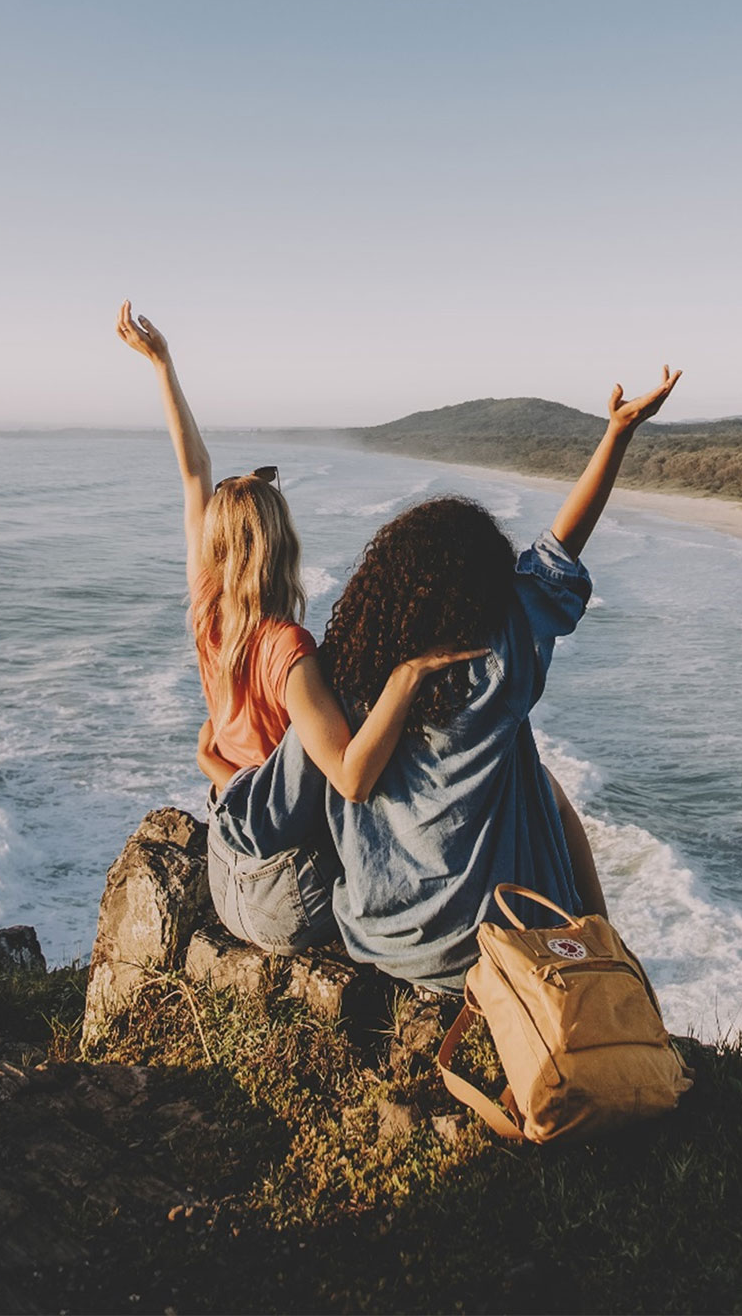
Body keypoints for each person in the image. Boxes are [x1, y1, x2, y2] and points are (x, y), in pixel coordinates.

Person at [115, 302, 483, 953]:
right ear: (279, 540)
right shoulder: (288, 648)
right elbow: (349, 780)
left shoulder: (207, 606)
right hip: (284, 897)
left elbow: (193, 470)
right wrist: (407, 678)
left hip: (226, 867)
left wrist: (161, 363)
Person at [321, 367, 682, 991]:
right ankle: (605, 944)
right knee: (544, 787)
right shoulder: (501, 656)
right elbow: (562, 547)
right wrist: (616, 434)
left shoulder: (354, 664)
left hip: (385, 933)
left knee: (539, 779)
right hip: (486, 942)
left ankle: (603, 939)